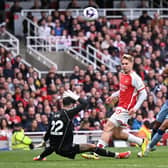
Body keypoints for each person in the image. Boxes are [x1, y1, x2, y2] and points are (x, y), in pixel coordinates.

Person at [33, 90, 131, 161]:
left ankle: (40, 157)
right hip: (66, 149)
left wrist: (43, 141)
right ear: (71, 105)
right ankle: (118, 155)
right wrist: (75, 96)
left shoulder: (55, 114)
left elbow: (49, 131)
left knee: (54, 145)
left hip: (56, 148)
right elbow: (84, 103)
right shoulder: (68, 113)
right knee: (92, 146)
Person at [84, 54, 148, 159]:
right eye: (122, 63)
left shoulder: (135, 77)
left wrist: (135, 108)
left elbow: (144, 93)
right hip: (120, 106)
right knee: (117, 134)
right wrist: (113, 96)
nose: (124, 66)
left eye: (126, 64)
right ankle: (141, 141)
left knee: (108, 126)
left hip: (126, 109)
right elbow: (123, 90)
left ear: (132, 64)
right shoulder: (122, 74)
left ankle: (96, 152)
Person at [146, 68, 168, 153]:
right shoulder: (166, 77)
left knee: (163, 127)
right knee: (156, 125)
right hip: (167, 104)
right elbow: (162, 75)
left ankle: (149, 147)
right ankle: (152, 145)